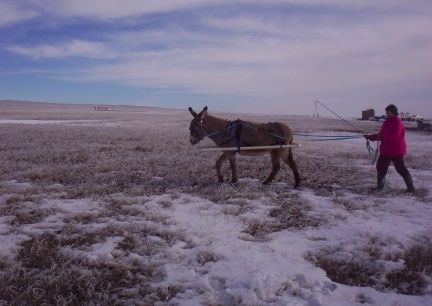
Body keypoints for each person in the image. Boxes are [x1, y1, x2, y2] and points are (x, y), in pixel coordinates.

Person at [364, 104, 415, 193]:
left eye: (388, 111)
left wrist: (381, 136)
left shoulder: (397, 122)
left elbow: (395, 135)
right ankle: (380, 187)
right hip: (386, 150)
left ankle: (411, 188)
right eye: (386, 112)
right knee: (380, 167)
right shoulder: (386, 122)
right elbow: (381, 135)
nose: (386, 113)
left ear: (392, 112)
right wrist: (371, 137)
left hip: (396, 150)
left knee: (400, 168)